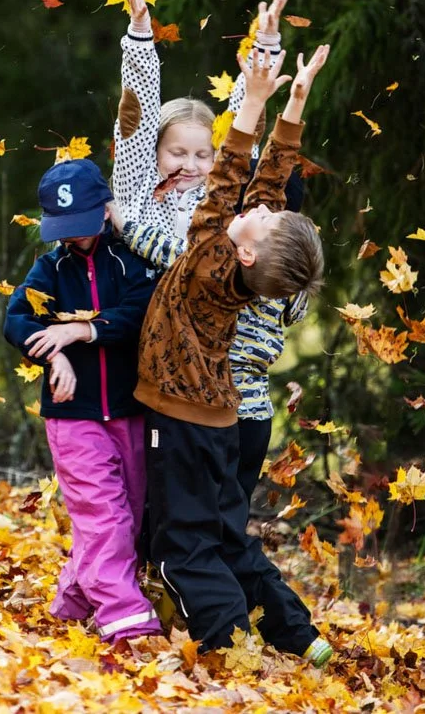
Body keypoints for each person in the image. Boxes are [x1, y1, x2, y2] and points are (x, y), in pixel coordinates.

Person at [136, 40, 333, 667]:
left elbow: (225, 180)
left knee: (182, 547)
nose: (261, 208)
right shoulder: (244, 258)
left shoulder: (207, 262)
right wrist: (293, 104)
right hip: (223, 419)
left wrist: (251, 100)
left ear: (247, 252)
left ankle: (224, 643)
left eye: (267, 220)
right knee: (228, 535)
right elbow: (267, 182)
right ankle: (298, 634)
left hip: (185, 421)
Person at [115, 0, 307, 503]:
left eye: (203, 157)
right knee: (142, 488)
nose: (191, 166)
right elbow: (133, 119)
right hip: (142, 351)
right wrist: (139, 35)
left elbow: (241, 131)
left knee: (190, 496)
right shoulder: (139, 194)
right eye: (177, 152)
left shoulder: (220, 211)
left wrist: (264, 52)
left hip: (196, 371)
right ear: (155, 152)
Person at [3, 158, 162, 643]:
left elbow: (140, 312)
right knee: (102, 515)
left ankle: (71, 603)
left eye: (82, 226)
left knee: (128, 518)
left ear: (106, 210)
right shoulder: (49, 268)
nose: (73, 238)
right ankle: (129, 622)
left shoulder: (130, 260)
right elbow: (16, 321)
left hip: (129, 409)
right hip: (72, 417)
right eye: (63, 229)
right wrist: (55, 357)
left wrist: (83, 329)